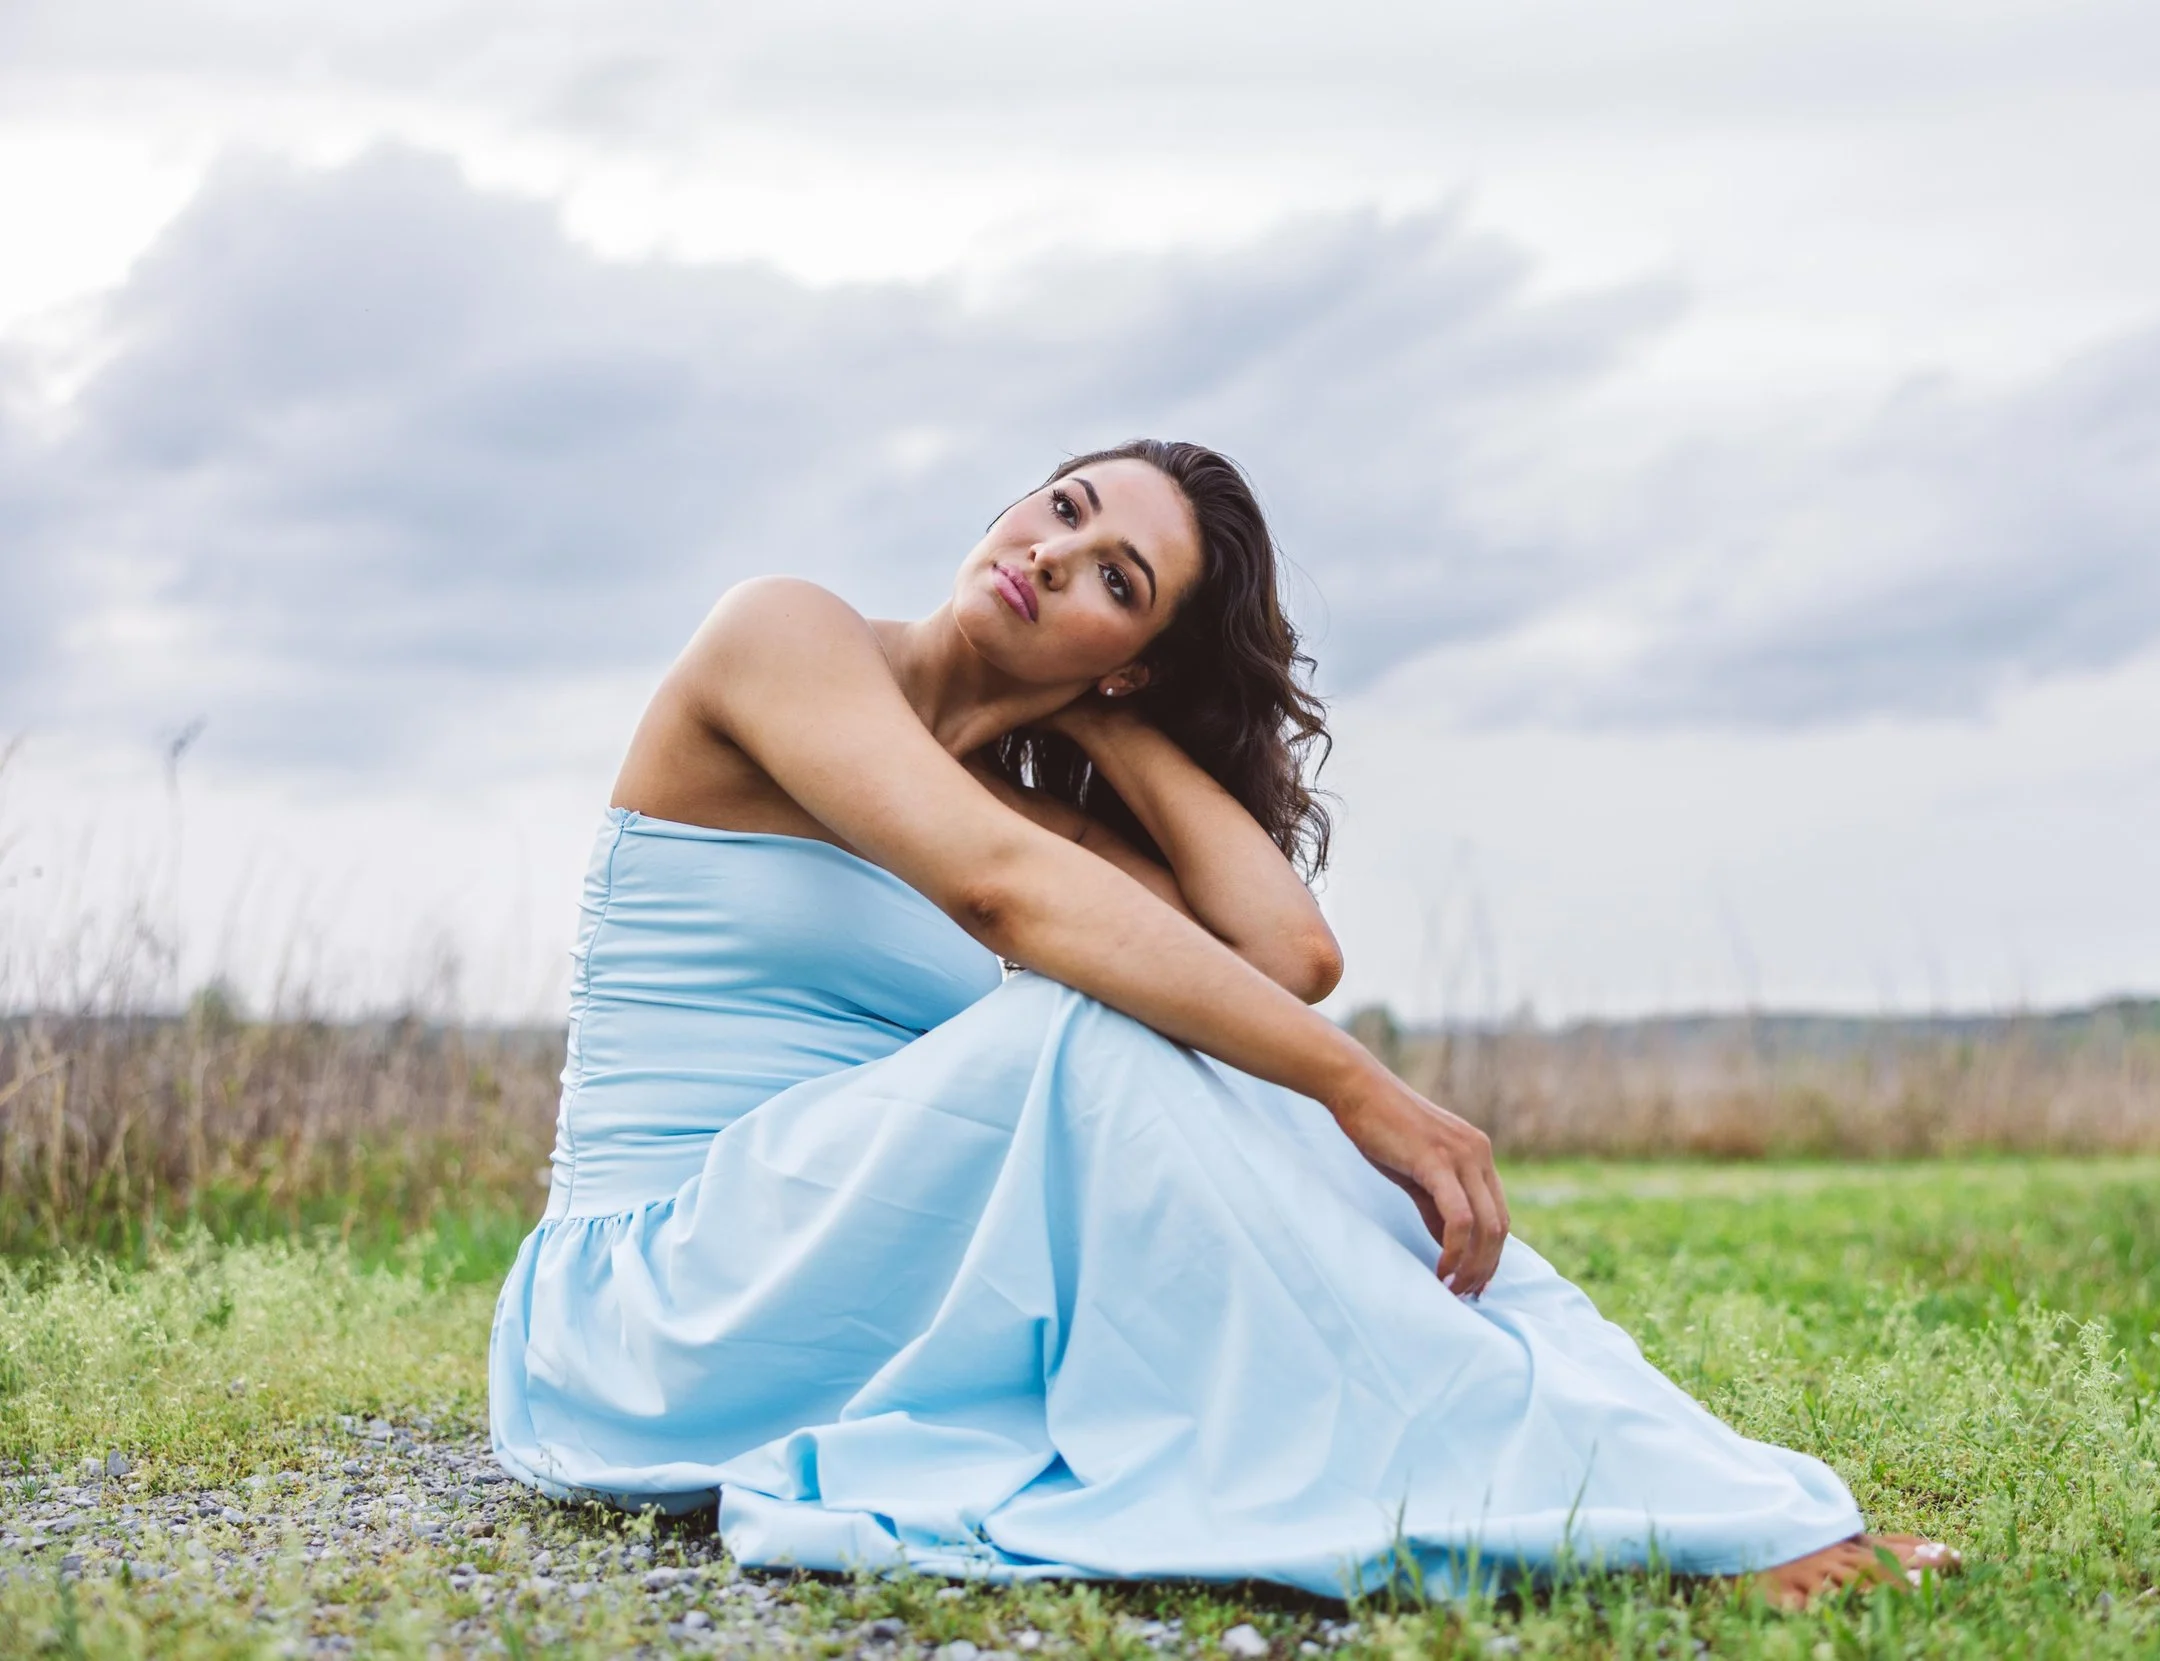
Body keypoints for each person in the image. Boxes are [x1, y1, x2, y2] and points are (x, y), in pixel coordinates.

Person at [487, 439, 1956, 1606]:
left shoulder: (1012, 799)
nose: (1050, 555)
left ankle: (1654, 1486)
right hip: (643, 1310)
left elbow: (1282, 955)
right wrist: (1363, 1091)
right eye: (1061, 512)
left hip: (827, 1284)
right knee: (1093, 1025)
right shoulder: (786, 637)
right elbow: (1011, 904)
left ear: (1129, 658)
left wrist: (1104, 722)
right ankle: (1611, 1510)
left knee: (1177, 1038)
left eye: (1112, 582)